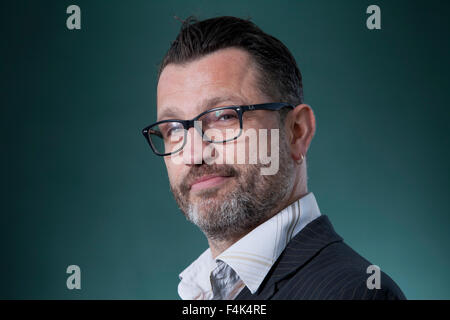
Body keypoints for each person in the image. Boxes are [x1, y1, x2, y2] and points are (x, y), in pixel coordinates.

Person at [142, 16, 406, 300]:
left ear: (296, 131)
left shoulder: (355, 293)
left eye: (224, 116)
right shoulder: (205, 292)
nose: (194, 154)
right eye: (173, 129)